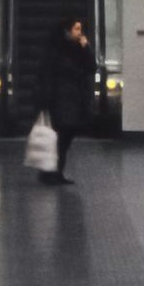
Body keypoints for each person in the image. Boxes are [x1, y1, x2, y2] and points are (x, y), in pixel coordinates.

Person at [37, 15, 98, 186]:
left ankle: (55, 171)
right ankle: (52, 172)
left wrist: (86, 48)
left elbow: (91, 68)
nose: (80, 33)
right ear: (67, 31)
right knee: (61, 135)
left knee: (66, 136)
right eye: (76, 29)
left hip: (74, 99)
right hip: (60, 99)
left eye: (80, 29)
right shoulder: (57, 50)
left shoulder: (78, 48)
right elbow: (51, 74)